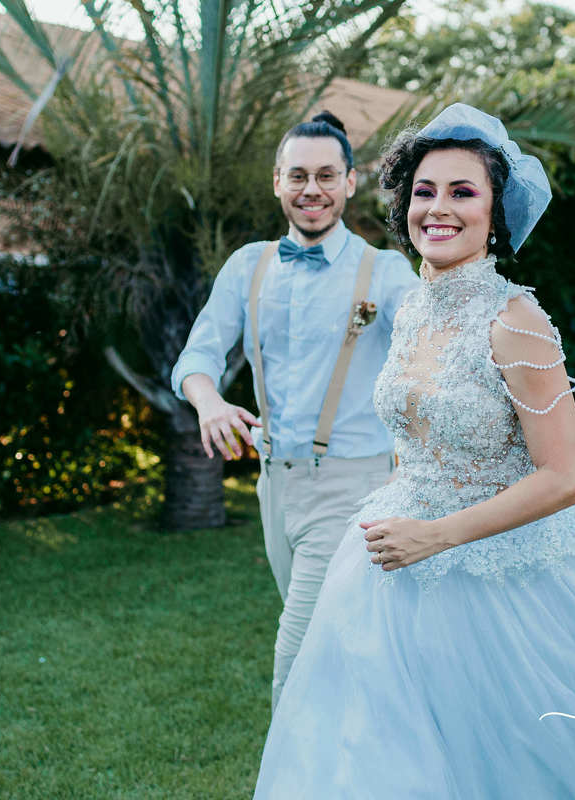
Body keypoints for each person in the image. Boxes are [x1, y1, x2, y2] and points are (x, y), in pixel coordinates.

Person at [252, 104, 575, 798]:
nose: (438, 208)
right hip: (390, 575)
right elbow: (416, 438)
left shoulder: (516, 321)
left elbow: (564, 479)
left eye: (462, 192)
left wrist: (435, 535)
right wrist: (404, 518)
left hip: (507, 583)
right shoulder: (416, 306)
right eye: (424, 191)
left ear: (495, 212)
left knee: (524, 763)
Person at [170, 111, 420, 714]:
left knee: (297, 662)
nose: (314, 189)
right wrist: (209, 403)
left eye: (327, 175)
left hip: (354, 488)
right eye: (300, 175)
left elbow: (428, 350)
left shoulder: (384, 272)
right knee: (334, 651)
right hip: (274, 488)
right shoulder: (247, 265)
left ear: (351, 182)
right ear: (277, 181)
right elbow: (196, 357)